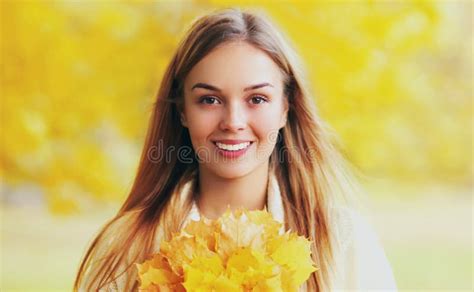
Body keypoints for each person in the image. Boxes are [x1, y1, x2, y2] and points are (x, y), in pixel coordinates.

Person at [74, 8, 397, 291]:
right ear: (182, 110)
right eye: (209, 100)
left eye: (257, 99)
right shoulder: (128, 246)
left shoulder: (344, 242)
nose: (233, 121)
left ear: (286, 107)